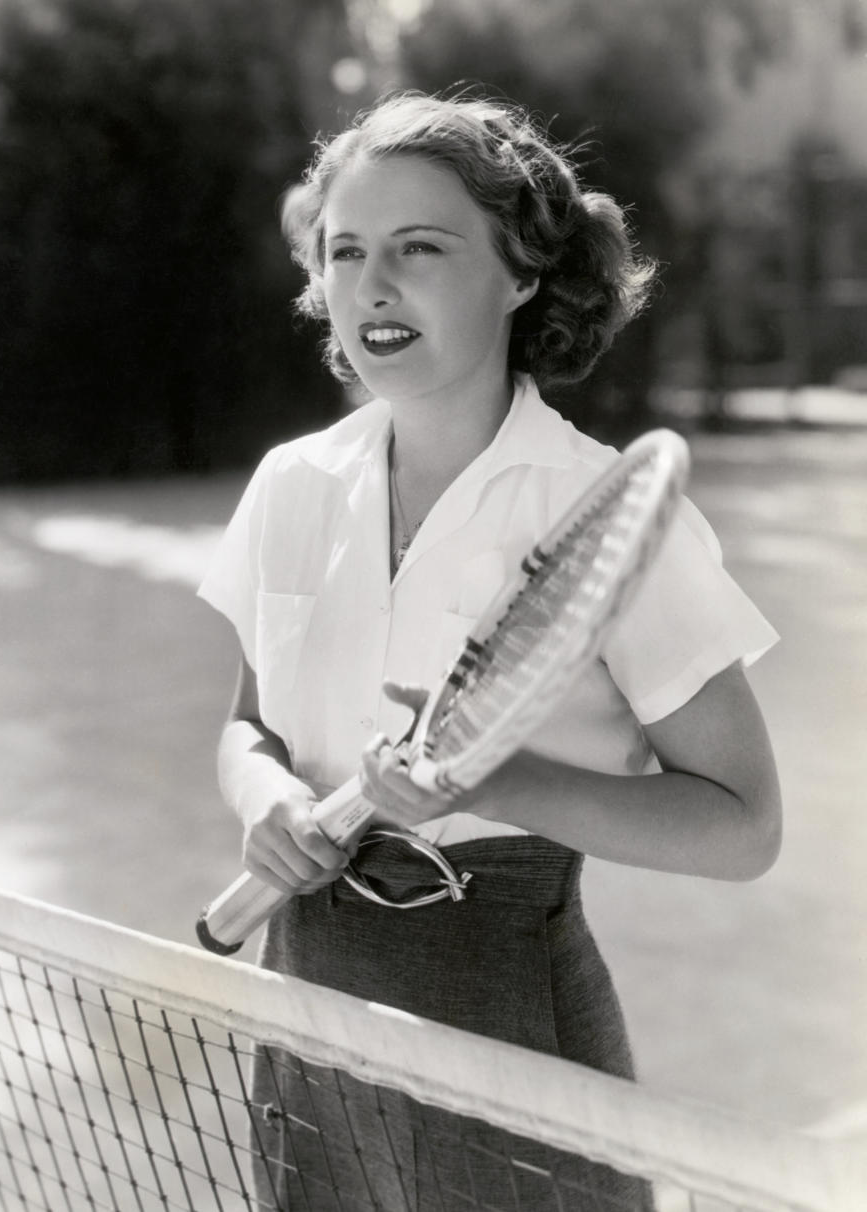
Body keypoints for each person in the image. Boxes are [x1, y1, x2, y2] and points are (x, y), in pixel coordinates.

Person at [198, 90, 782, 1211]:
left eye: (420, 248)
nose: (373, 284)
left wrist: (499, 778)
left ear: (522, 275)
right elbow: (249, 721)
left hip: (512, 1026)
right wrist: (263, 793)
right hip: (307, 1009)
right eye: (347, 250)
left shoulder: (603, 512)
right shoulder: (292, 485)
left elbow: (743, 826)